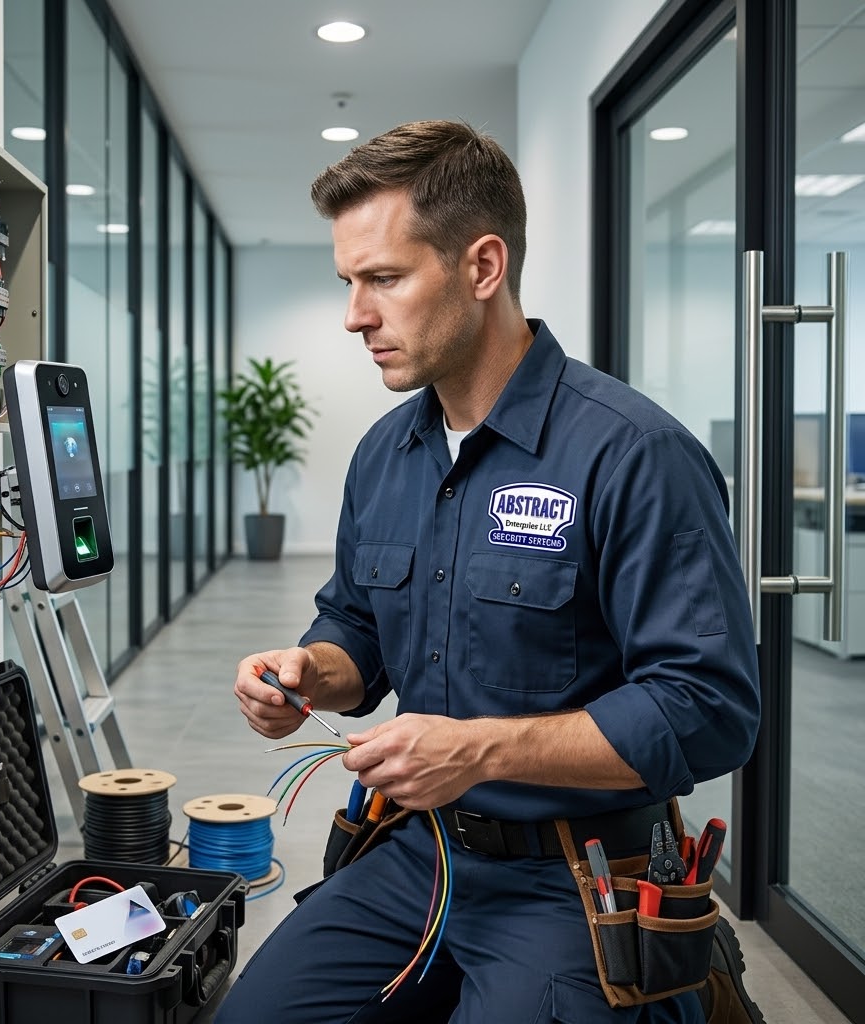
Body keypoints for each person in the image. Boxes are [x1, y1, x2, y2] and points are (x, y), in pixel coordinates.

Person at [216, 121, 762, 1024]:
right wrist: (310, 670)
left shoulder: (634, 455)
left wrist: (479, 750)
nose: (356, 313)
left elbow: (710, 709)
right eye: (349, 282)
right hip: (417, 858)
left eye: (384, 278)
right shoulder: (386, 455)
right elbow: (355, 626)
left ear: (482, 266)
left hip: (577, 881)